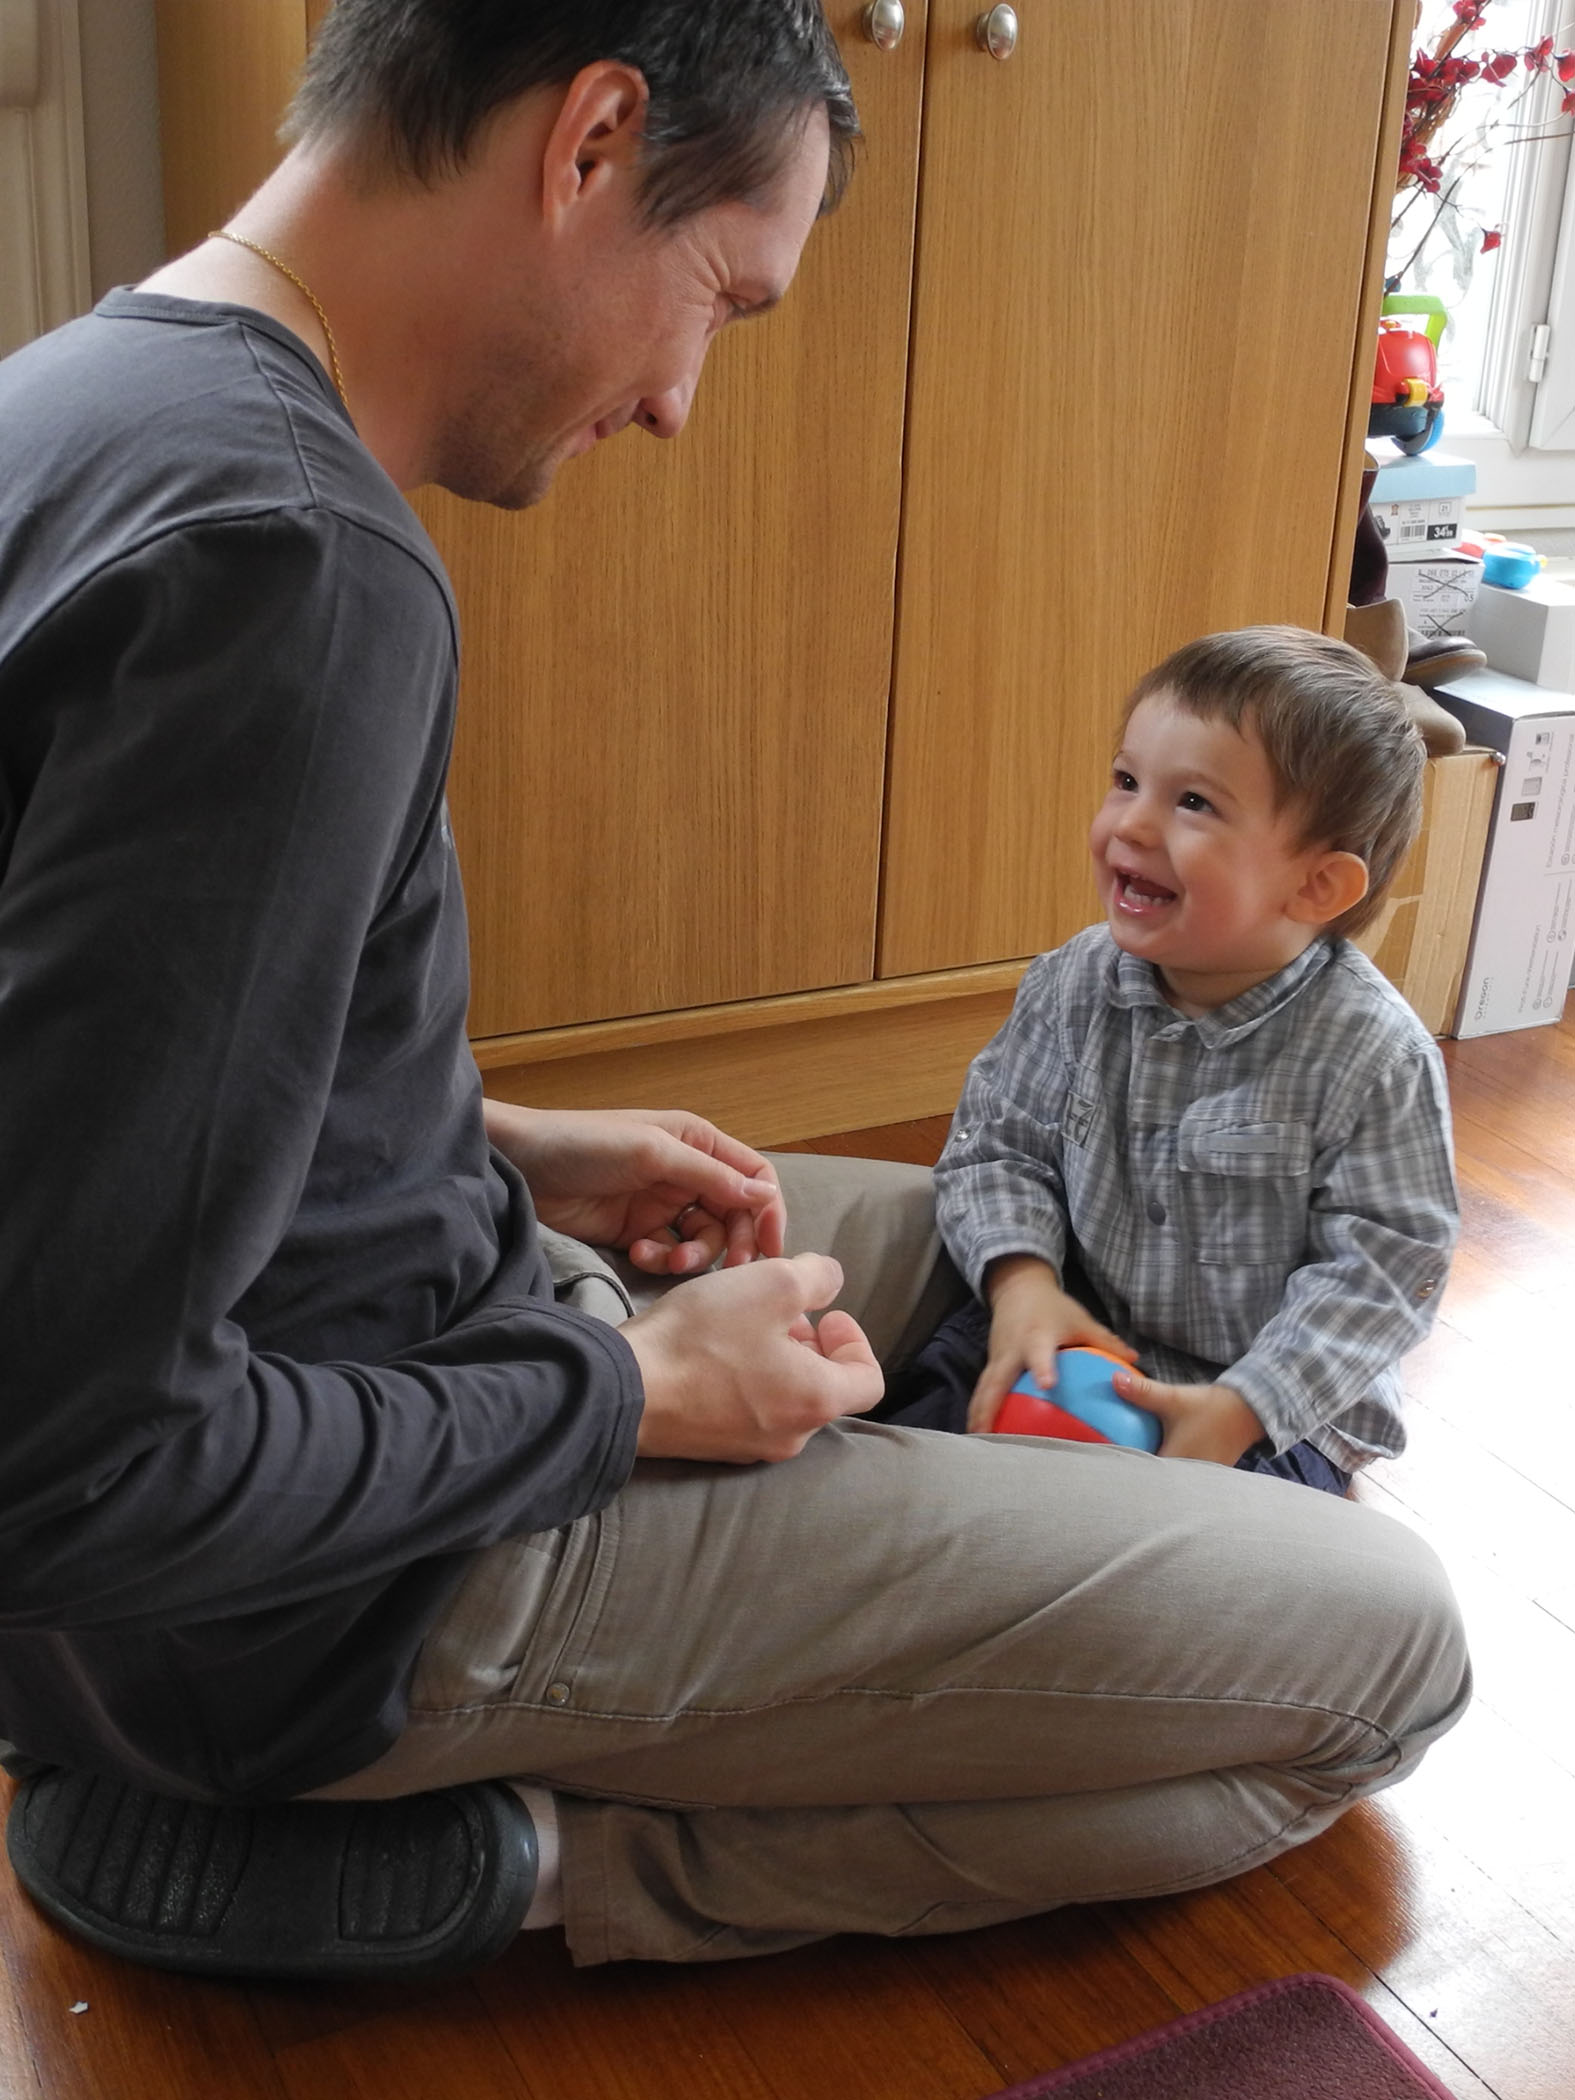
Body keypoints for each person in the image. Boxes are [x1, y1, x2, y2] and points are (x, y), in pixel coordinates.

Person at [0, 3, 1469, 1982]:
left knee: (914, 1234)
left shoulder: (75, 404)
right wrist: (629, 1391)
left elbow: (84, 1083)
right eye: (722, 296)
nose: (681, 399)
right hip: (343, 1603)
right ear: (592, 138)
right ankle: (524, 1862)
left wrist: (500, 1143)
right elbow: (72, 1465)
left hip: (310, 1461)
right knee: (1392, 1654)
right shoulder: (296, 569)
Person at [884, 627, 1459, 1501]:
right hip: (1078, 1326)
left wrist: (1243, 1405)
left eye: (1193, 802)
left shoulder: (1372, 1056)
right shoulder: (1074, 982)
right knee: (921, 1442)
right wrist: (1022, 1283)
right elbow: (996, 1147)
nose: (1131, 824)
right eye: (1125, 781)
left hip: (1262, 1399)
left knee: (1209, 1551)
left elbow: (1383, 1270)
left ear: (1315, 886)